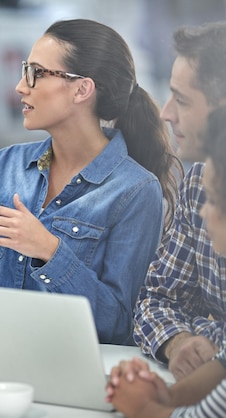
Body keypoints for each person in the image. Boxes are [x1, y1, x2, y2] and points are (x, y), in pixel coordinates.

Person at [0, 18, 180, 345]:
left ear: (82, 89)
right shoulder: (6, 164)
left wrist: (49, 250)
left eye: (36, 73)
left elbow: (119, 323)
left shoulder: (137, 191)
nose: (20, 86)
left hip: (73, 378)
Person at [107, 106, 226, 418]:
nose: (203, 211)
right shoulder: (199, 176)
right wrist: (166, 394)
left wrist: (145, 408)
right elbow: (222, 368)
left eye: (213, 200)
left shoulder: (137, 190)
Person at [133, 21, 226, 380]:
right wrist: (179, 341)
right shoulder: (199, 184)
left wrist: (210, 335)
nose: (166, 113)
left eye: (182, 100)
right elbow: (155, 299)